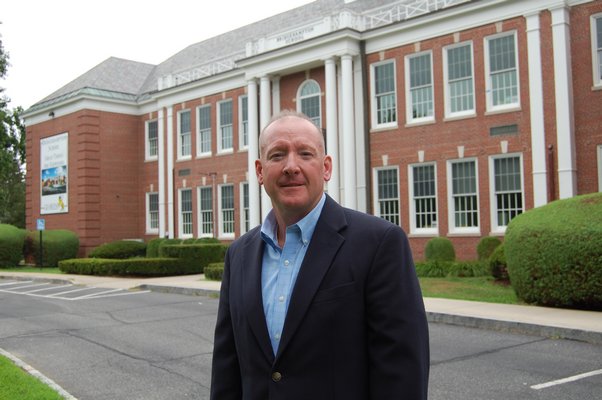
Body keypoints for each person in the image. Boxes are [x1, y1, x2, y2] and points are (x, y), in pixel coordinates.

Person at [210, 110, 429, 400]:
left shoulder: (379, 244)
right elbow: (227, 369)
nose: (291, 166)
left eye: (305, 153)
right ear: (260, 171)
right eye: (277, 155)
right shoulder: (238, 255)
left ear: (326, 168)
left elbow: (402, 375)